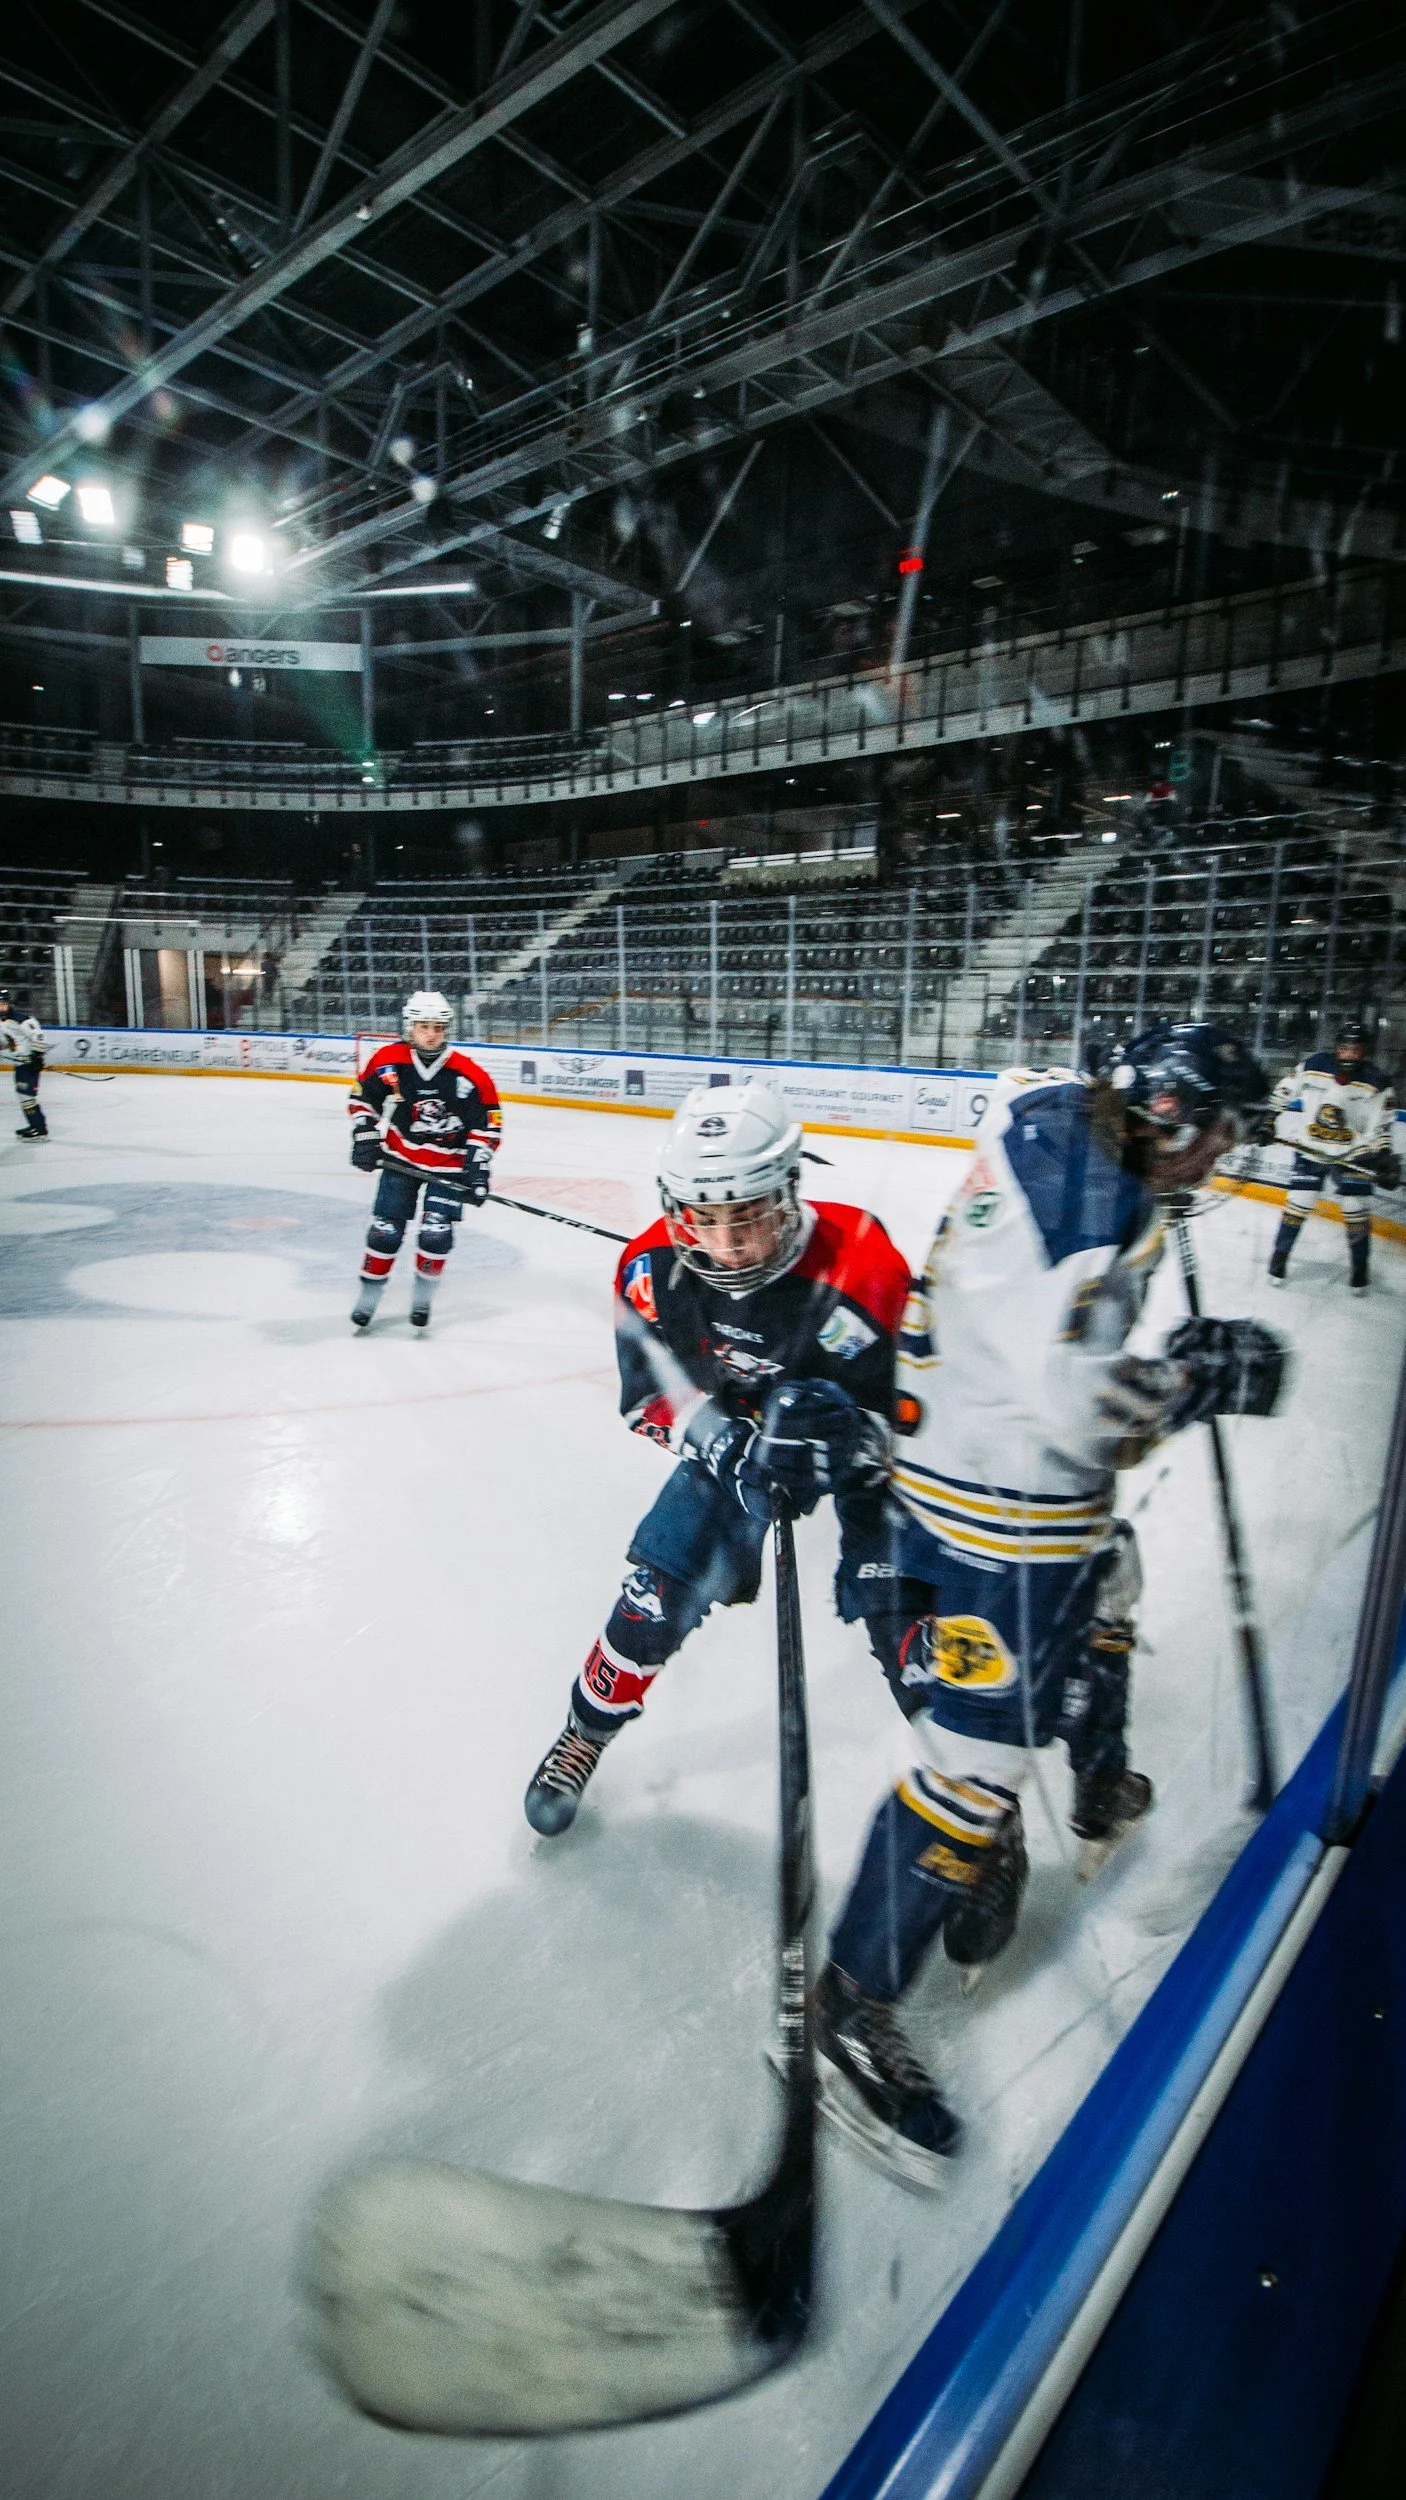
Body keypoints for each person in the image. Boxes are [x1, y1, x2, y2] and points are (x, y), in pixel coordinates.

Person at [816, 1026, 1288, 2180]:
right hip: (997, 1520)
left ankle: (1095, 1786)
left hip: (983, 1485)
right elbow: (1086, 1414)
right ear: (1168, 1115)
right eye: (1214, 1133)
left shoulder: (1055, 1135)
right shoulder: (1092, 1205)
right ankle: (849, 2006)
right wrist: (1193, 1378)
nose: (1219, 1157)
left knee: (1108, 1581)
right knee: (972, 1772)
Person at [524, 1079, 911, 1837]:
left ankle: (967, 1795)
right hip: (736, 1428)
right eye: (704, 1220)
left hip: (851, 1442)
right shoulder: (648, 1270)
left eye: (750, 1218)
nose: (728, 1245)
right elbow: (650, 1399)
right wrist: (729, 1447)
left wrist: (849, 1443)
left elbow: (925, 1412)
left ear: (788, 1192)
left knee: (910, 1612)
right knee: (655, 1592)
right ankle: (587, 1728)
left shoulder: (864, 1262)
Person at [347, 991, 501, 1330]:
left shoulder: (468, 1075)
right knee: (385, 1232)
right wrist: (366, 1137)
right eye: (423, 1026)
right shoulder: (389, 1061)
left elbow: (488, 1123)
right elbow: (363, 1100)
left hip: (449, 1166)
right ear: (409, 1027)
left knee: (435, 1234)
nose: (431, 1034)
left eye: (438, 1027)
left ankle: (422, 1298)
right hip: (402, 1157)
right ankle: (369, 1297)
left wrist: (478, 1168)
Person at [1266, 1019, 1398, 1291]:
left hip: (1352, 1154)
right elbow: (1285, 1088)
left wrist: (1384, 1156)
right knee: (1298, 1202)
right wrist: (1269, 1119)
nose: (1349, 1055)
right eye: (1345, 1048)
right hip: (1311, 1148)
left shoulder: (1377, 1082)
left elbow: (1382, 1125)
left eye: (1356, 1050)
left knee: (1355, 1209)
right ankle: (1278, 1259)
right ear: (1337, 1048)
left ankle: (1360, 1268)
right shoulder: (1315, 1065)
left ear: (1365, 1052)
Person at [0, 989, 48, 1140]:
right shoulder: (3, 1022)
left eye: (3, 1003)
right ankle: (35, 1126)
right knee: (24, 1096)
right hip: (20, 1064)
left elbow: (38, 1035)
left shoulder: (21, 1019)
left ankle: (39, 1130)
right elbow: (7, 1042)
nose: (2, 1006)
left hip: (29, 1064)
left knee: (27, 1096)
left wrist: (37, 1056)